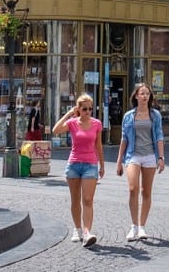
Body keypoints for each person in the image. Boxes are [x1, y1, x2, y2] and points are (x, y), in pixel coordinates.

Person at [115, 83, 165, 242]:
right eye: (142, 93)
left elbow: (159, 136)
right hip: (132, 155)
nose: (145, 96)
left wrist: (161, 158)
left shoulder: (155, 115)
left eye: (147, 94)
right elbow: (124, 138)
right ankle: (133, 225)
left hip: (150, 155)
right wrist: (119, 160)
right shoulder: (129, 115)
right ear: (136, 96)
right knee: (132, 188)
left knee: (146, 192)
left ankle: (142, 226)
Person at [53, 94, 104, 247]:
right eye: (84, 109)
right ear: (79, 109)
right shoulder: (72, 123)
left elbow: (98, 145)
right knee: (75, 200)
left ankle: (88, 232)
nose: (88, 111)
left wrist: (102, 163)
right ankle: (77, 229)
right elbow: (55, 131)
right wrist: (69, 114)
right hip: (74, 164)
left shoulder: (97, 124)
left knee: (87, 200)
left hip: (90, 165)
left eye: (90, 108)